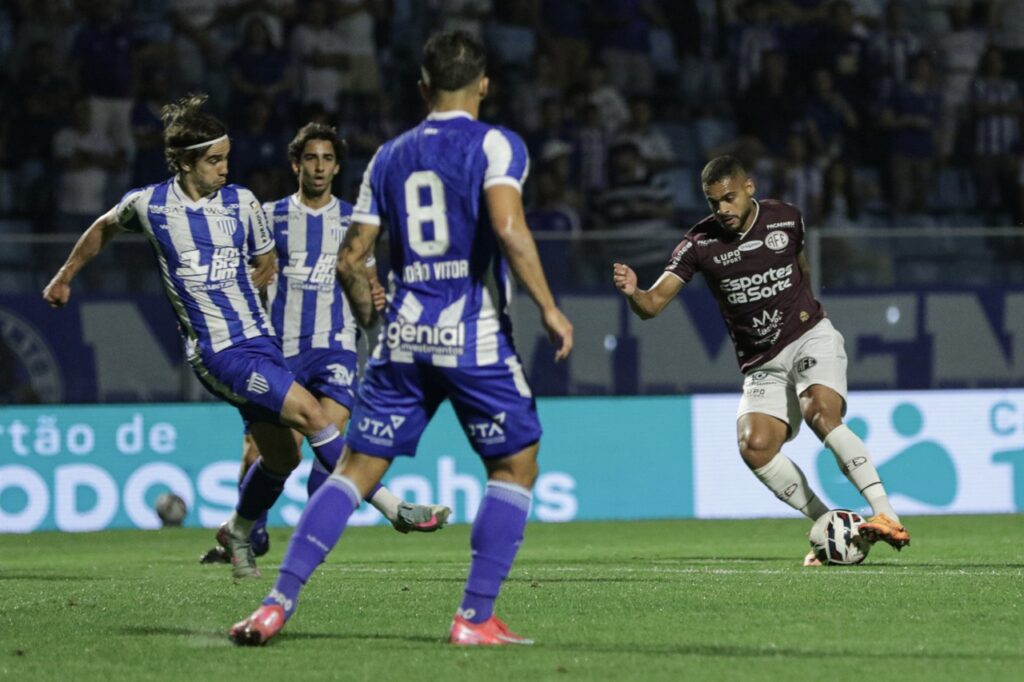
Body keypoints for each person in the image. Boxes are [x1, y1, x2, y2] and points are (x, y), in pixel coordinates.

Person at [229, 30, 573, 647]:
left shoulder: (389, 155)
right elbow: (508, 226)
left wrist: (373, 326)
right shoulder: (498, 144)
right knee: (515, 465)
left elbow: (351, 256)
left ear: (422, 87)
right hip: (471, 332)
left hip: (404, 336)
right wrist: (549, 307)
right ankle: (474, 619)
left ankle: (275, 605)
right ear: (484, 85)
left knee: (354, 471)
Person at [42, 94, 369, 580]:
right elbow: (105, 226)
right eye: (215, 160)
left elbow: (264, 259)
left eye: (226, 159)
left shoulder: (241, 200)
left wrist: (255, 279)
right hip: (221, 351)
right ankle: (385, 505)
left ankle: (240, 531)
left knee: (284, 454)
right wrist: (65, 275)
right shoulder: (149, 204)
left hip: (275, 342)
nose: (224, 169)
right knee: (305, 423)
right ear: (186, 162)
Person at [612, 155, 910, 566]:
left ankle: (886, 515)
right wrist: (634, 292)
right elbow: (653, 305)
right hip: (761, 362)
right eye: (713, 202)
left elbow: (800, 268)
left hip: (809, 336)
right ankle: (830, 525)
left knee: (820, 413)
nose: (722, 210)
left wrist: (802, 313)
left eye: (729, 198)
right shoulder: (698, 244)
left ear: (748, 188)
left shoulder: (786, 219)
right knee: (754, 446)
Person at [199, 122, 452, 565]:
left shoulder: (353, 221)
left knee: (327, 444)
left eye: (328, 159)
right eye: (311, 158)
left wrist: (375, 297)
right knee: (271, 453)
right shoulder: (269, 215)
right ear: (297, 164)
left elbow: (366, 286)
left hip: (335, 347)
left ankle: (310, 542)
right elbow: (247, 272)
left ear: (337, 168)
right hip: (277, 350)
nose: (319, 167)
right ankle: (250, 534)